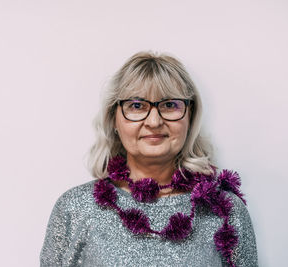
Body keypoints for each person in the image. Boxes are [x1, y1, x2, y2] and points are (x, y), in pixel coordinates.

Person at [40, 51, 258, 266]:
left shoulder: (225, 211)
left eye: (170, 105)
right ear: (114, 119)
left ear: (190, 118)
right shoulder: (75, 208)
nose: (154, 121)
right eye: (136, 106)